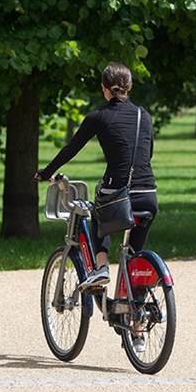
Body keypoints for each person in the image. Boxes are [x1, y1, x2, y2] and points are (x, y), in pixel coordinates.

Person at [35, 63, 158, 289]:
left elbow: (71, 149)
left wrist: (46, 173)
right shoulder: (145, 116)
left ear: (103, 87)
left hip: (117, 193)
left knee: (99, 207)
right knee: (134, 257)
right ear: (129, 87)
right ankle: (135, 313)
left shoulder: (98, 117)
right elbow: (147, 154)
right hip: (148, 195)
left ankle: (101, 267)